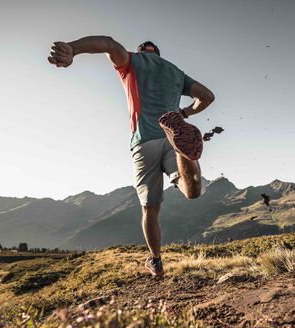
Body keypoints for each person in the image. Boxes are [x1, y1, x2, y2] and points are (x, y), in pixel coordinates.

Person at [48, 37, 215, 278]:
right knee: (191, 191)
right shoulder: (176, 72)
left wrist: (73, 49)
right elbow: (207, 96)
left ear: (141, 53)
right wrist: (184, 112)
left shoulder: (132, 62)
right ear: (158, 53)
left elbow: (108, 44)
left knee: (150, 209)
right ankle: (182, 151)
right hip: (169, 139)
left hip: (143, 141)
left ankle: (156, 261)